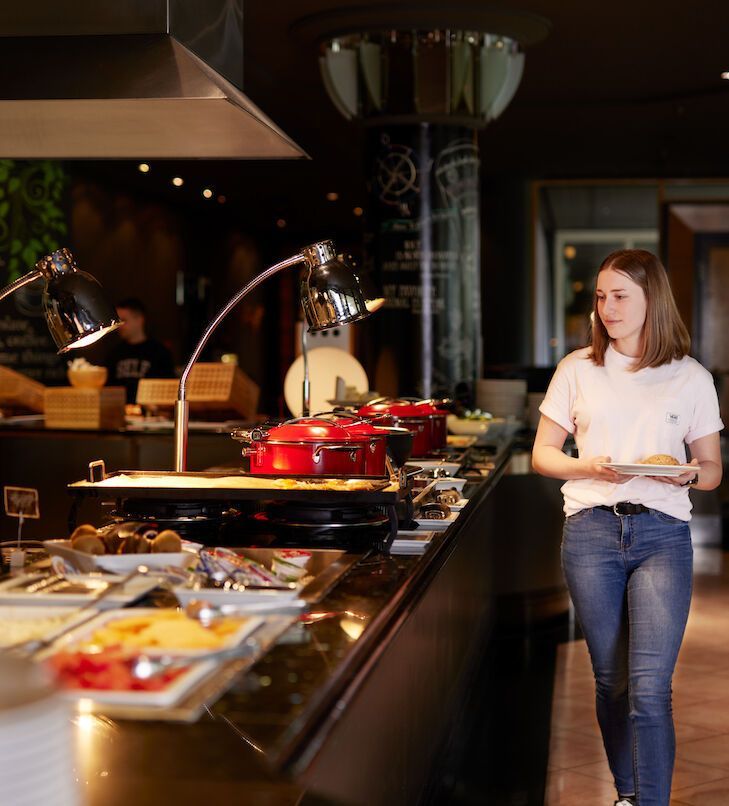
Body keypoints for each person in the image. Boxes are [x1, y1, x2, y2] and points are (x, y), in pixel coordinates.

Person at [532, 250, 723, 806]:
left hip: (663, 536)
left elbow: (711, 471)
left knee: (650, 690)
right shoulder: (576, 369)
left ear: (650, 301)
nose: (606, 308)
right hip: (590, 533)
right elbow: (544, 455)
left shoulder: (690, 377)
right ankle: (627, 794)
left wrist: (688, 475)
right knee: (611, 682)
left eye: (619, 296)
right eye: (600, 296)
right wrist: (587, 466)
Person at [106, 298, 175, 402]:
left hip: (151, 413)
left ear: (139, 319)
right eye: (118, 322)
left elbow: (168, 389)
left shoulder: (159, 352)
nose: (119, 326)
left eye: (124, 320)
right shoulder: (114, 353)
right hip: (120, 411)